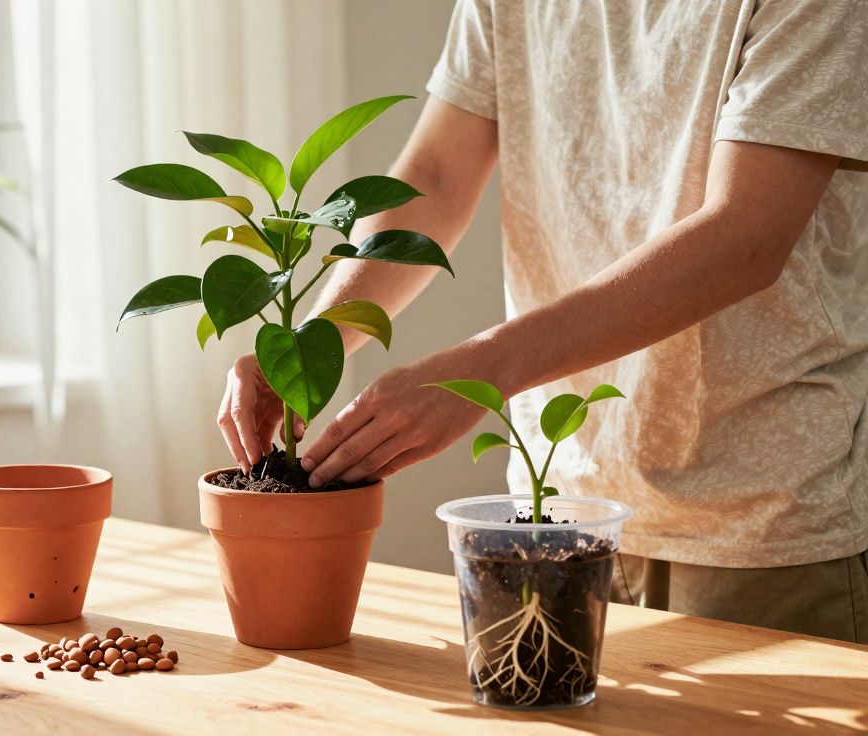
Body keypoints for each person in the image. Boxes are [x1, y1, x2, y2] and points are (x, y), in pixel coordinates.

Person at [218, 0, 868, 643]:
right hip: (558, 500)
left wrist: (484, 368)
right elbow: (438, 175)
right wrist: (313, 342)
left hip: (763, 519)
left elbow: (745, 236)